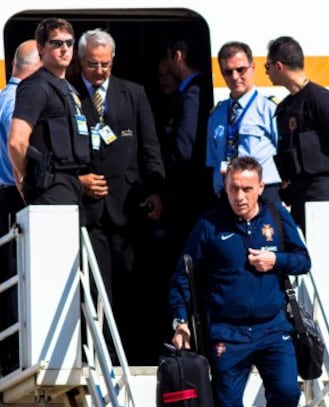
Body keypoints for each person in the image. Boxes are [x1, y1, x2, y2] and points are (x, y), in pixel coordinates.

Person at [168, 156, 311, 407]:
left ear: (261, 187)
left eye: (248, 188)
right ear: (225, 188)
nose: (240, 196)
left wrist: (274, 261)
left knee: (288, 392)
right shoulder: (209, 225)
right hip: (226, 335)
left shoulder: (277, 218)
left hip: (273, 328)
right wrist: (180, 320)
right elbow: (182, 277)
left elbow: (303, 260)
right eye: (234, 188)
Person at [72, 28, 165, 364]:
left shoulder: (134, 94)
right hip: (90, 208)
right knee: (98, 284)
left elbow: (149, 146)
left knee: (131, 282)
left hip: (130, 204)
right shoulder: (69, 96)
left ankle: (136, 348)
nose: (100, 71)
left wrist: (156, 189)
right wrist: (78, 181)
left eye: (106, 65)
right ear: (81, 61)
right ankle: (101, 352)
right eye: (93, 65)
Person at [265, 36, 329, 233]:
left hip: (324, 195)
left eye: (267, 66)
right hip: (299, 197)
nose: (267, 72)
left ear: (278, 66)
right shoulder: (287, 106)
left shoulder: (319, 99)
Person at [8, 18, 91, 218]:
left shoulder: (68, 89)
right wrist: (24, 179)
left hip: (70, 186)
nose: (65, 49)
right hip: (48, 188)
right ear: (41, 47)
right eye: (56, 43)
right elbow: (16, 142)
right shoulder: (35, 87)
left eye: (69, 43)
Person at [0, 39, 42, 375]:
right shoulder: (19, 102)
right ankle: (18, 355)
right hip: (15, 193)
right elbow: (20, 145)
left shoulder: (3, 96)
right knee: (20, 276)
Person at [206, 41, 281, 205]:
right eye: (228, 72)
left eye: (240, 70)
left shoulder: (269, 109)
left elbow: (284, 154)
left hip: (263, 194)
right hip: (227, 195)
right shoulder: (216, 115)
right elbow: (213, 161)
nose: (234, 77)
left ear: (253, 67)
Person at [162, 35, 215, 264]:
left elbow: (184, 148)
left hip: (191, 190)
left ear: (178, 56)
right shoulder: (197, 89)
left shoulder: (193, 92)